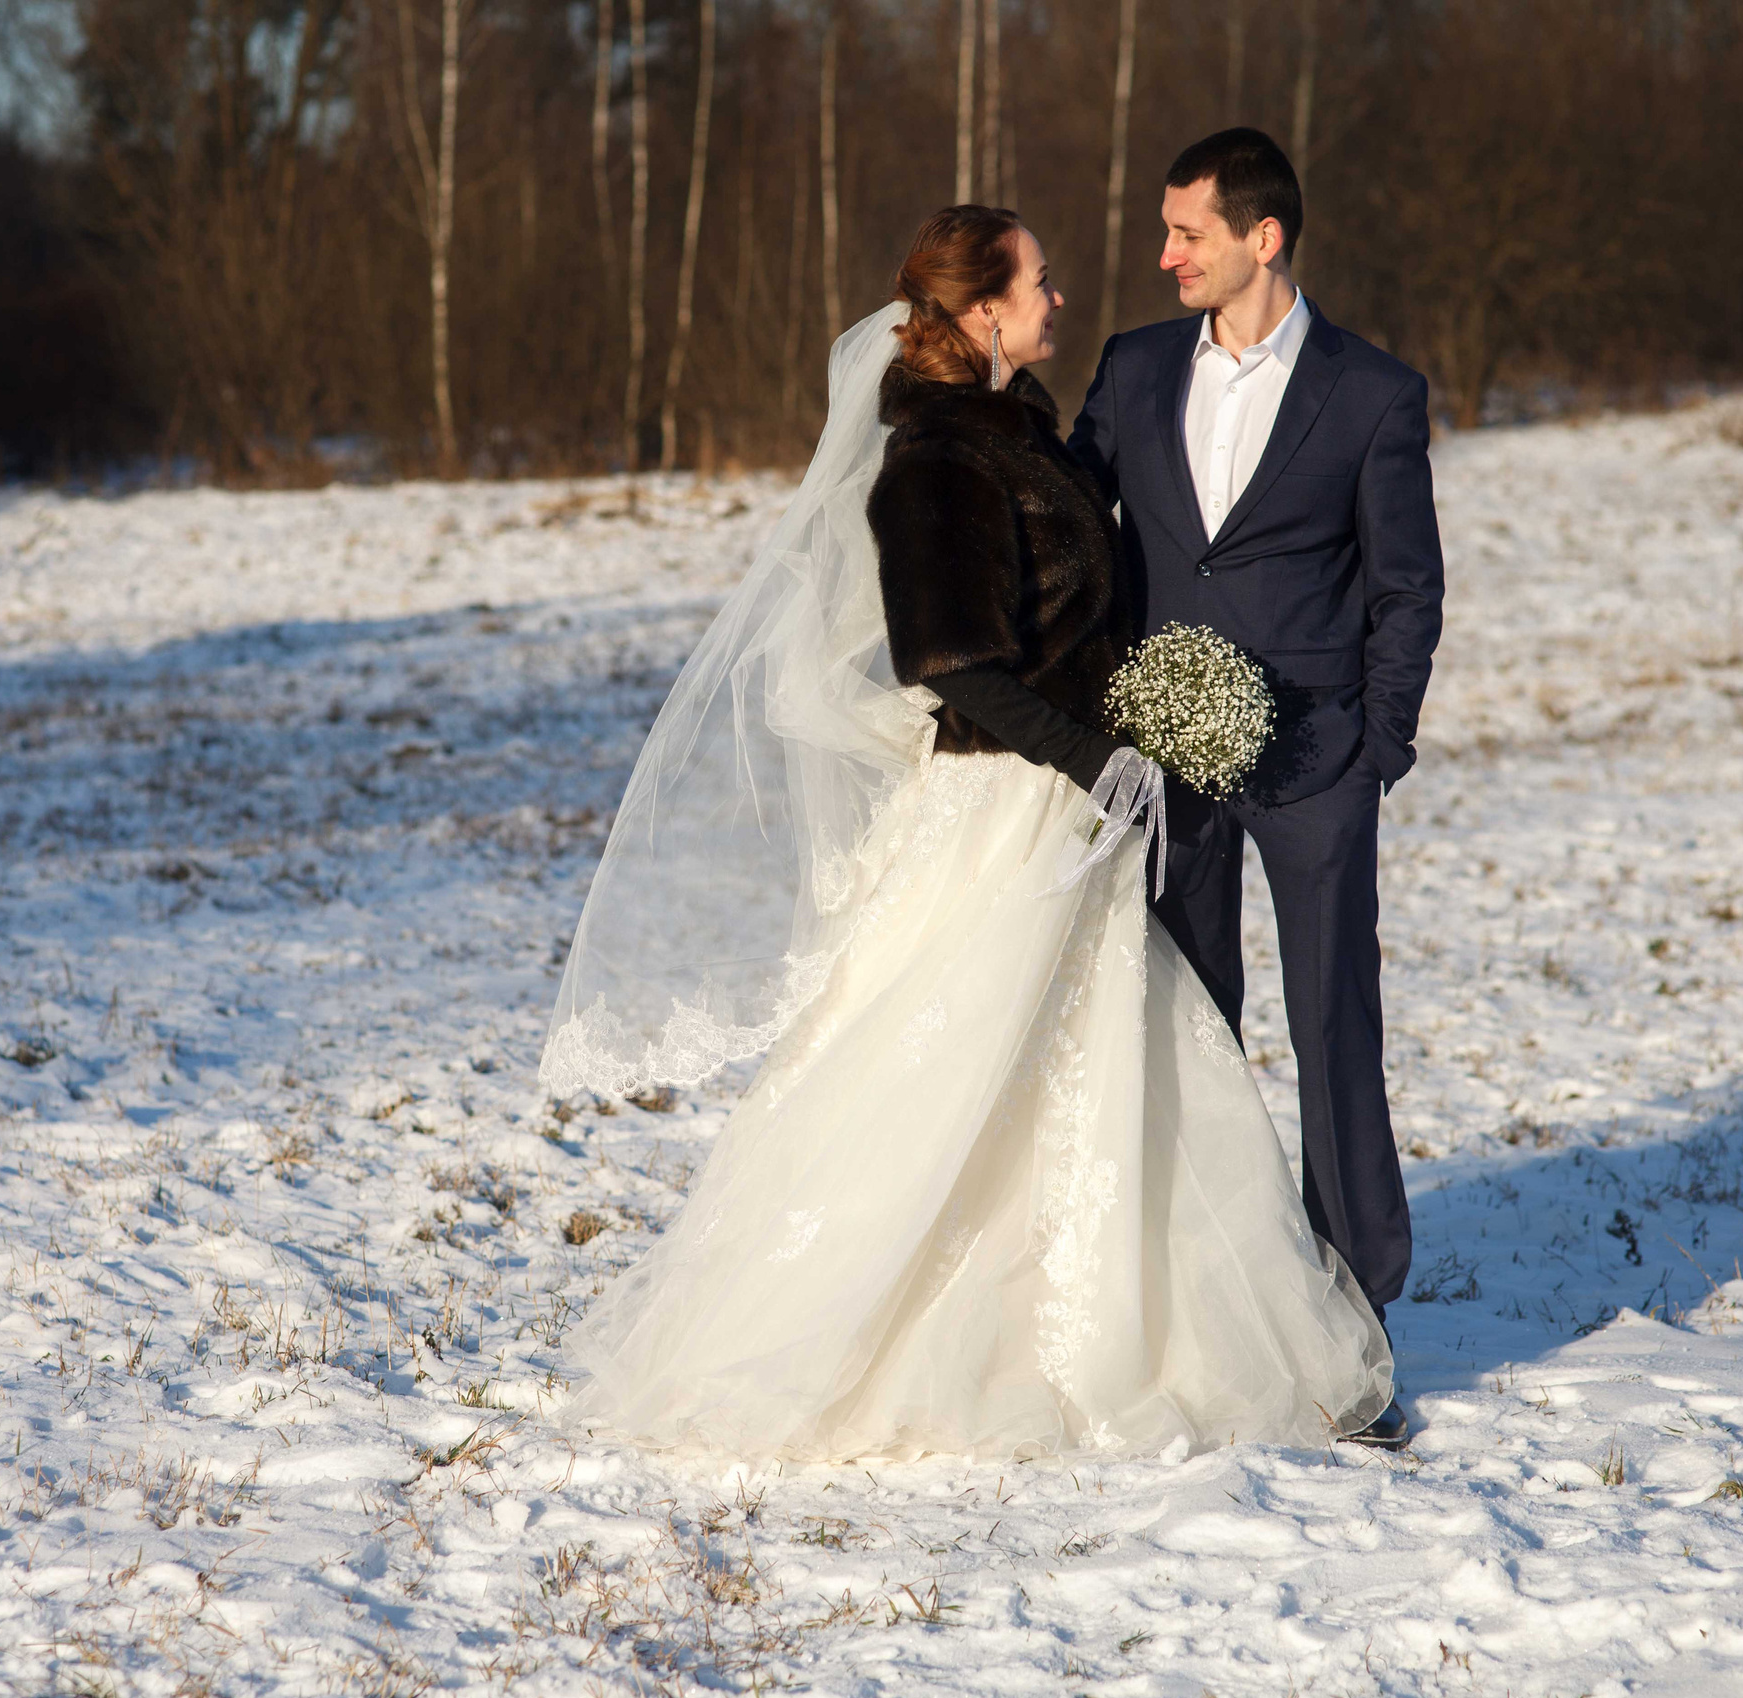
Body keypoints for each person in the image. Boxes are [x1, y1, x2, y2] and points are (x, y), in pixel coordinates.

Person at [536, 204, 1393, 1464]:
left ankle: (1108, 1327)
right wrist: (1099, 757)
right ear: (983, 311)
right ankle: (860, 1342)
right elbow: (953, 663)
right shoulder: (936, 459)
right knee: (940, 1067)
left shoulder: (1018, 432)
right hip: (1004, 808)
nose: (1060, 297)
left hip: (1066, 808)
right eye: (1039, 282)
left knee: (1102, 1077)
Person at [1068, 128, 1445, 1450]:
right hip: (1168, 763)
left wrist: (1373, 747)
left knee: (1338, 1031)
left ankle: (1355, 1331)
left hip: (1316, 766)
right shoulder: (1130, 367)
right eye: (1167, 232)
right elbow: (1072, 535)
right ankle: (1208, 1316)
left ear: (1262, 238)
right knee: (1186, 1027)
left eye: (1188, 232)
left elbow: (1406, 585)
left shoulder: (1375, 394)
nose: (1164, 253)